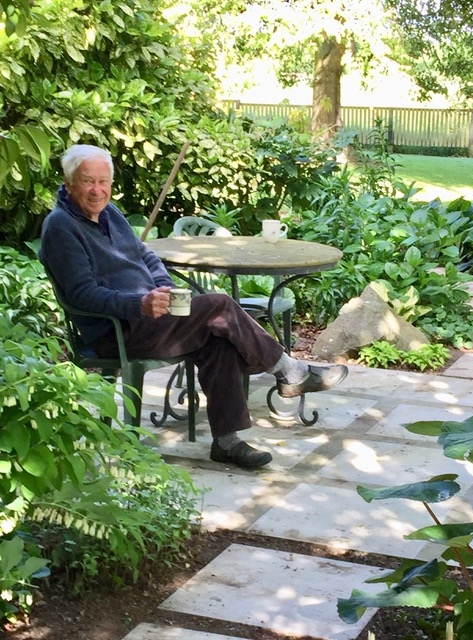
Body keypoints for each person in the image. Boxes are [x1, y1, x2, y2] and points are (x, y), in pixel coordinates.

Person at [40, 144, 348, 470]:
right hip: (117, 330)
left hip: (153, 316)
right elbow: (82, 295)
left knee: (219, 339)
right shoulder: (60, 227)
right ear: (69, 181)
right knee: (220, 306)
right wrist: (139, 303)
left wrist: (164, 287)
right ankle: (290, 371)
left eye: (104, 182)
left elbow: (145, 256)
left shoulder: (109, 213)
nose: (97, 190)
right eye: (88, 181)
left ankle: (227, 442)